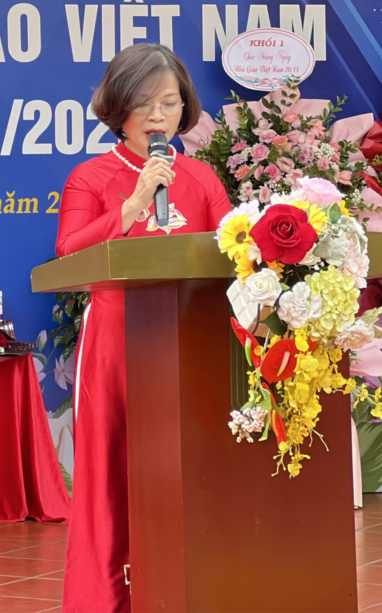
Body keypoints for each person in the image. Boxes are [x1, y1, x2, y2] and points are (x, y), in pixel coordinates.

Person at [56, 44, 231, 613]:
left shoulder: (201, 178)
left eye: (170, 103)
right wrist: (131, 206)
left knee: (189, 464)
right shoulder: (90, 177)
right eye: (144, 103)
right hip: (116, 339)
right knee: (111, 469)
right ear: (119, 108)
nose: (158, 116)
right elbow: (68, 255)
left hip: (190, 339)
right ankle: (106, 598)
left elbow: (233, 253)